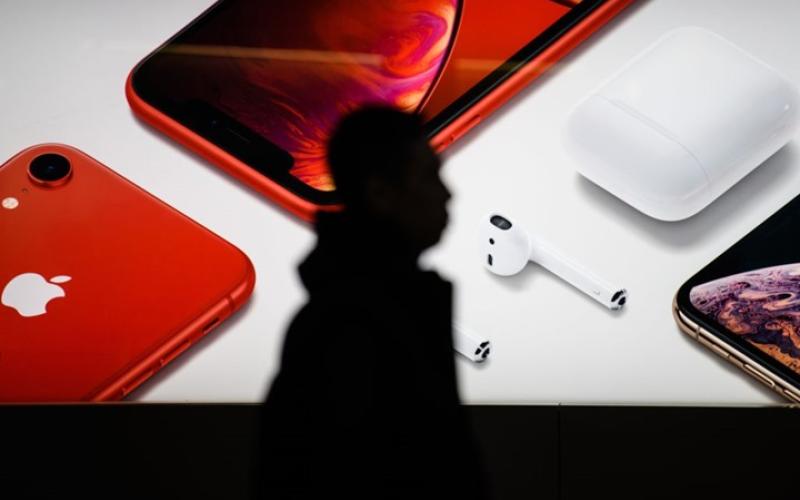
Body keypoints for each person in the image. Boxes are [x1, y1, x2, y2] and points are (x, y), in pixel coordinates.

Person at [257, 107, 488, 499]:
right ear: (381, 193)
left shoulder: (353, 310)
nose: (447, 194)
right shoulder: (353, 325)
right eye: (429, 176)